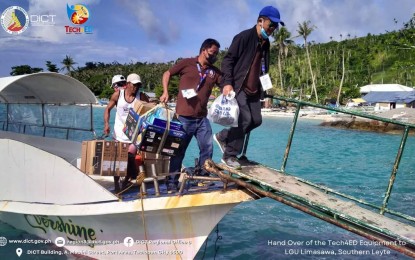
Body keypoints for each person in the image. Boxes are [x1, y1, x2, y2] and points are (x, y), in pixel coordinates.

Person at [214, 6, 284, 169]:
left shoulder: (266, 44)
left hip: (254, 89)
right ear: (260, 21)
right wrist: (227, 82)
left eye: (275, 26)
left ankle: (224, 136)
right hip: (239, 87)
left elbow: (264, 68)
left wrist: (264, 91)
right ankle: (229, 155)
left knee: (256, 120)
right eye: (271, 25)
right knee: (243, 119)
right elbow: (228, 61)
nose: (273, 29)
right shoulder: (243, 37)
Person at [160, 38, 222, 191]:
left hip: (202, 119)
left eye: (217, 54)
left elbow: (226, 84)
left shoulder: (214, 72)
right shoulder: (186, 63)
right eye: (213, 53)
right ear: (204, 50)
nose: (215, 56)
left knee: (207, 148)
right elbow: (167, 73)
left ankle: (202, 177)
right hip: (183, 118)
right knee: (178, 151)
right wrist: (165, 91)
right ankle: (172, 182)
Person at [104, 73, 150, 193]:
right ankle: (117, 185)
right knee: (117, 161)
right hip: (118, 134)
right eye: (134, 85)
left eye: (138, 85)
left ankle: (125, 182)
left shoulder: (142, 97)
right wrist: (106, 124)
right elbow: (107, 109)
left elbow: (150, 112)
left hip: (133, 135)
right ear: (128, 84)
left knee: (129, 157)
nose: (136, 87)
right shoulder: (118, 95)